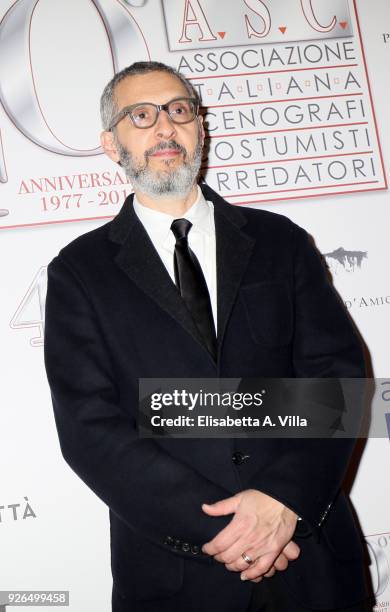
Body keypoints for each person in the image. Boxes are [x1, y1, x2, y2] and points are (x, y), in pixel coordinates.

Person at [44, 61, 371, 612]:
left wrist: (282, 502)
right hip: (176, 580)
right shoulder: (79, 272)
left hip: (310, 564)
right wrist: (228, 530)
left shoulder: (280, 242)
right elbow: (89, 429)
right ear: (110, 143)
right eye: (140, 116)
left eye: (178, 110)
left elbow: (338, 381)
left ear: (201, 126)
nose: (164, 128)